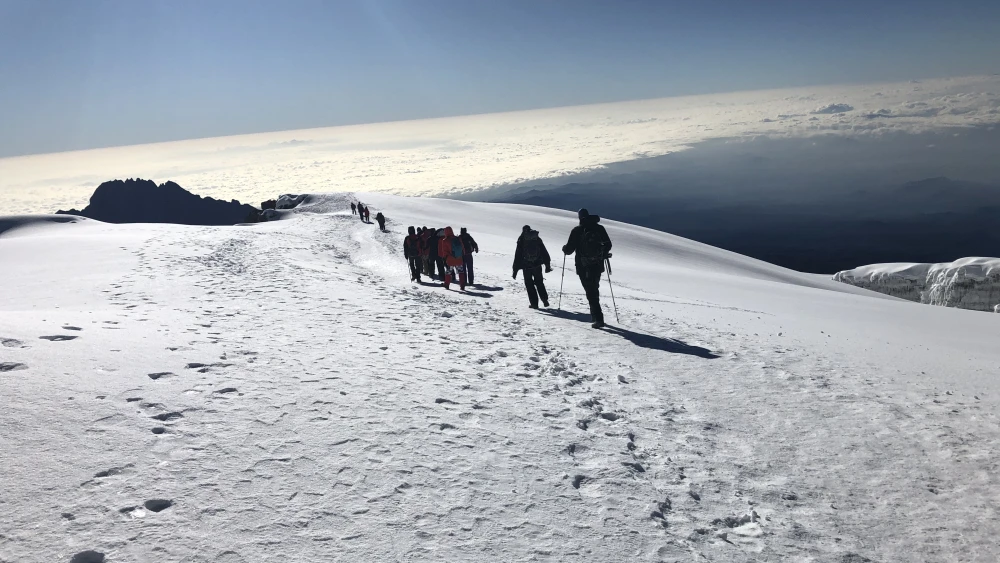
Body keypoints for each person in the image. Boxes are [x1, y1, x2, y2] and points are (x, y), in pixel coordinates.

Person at [562, 208, 613, 328]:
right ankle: (595, 316)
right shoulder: (599, 228)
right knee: (594, 288)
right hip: (598, 264)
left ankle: (598, 319)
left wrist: (564, 248)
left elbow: (569, 250)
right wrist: (601, 253)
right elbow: (608, 244)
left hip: (583, 266)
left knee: (590, 292)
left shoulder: (577, 230)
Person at [513, 225, 552, 309]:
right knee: (539, 282)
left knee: (529, 285)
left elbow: (518, 255)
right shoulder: (537, 238)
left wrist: (515, 270)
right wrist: (547, 265)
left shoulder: (522, 239)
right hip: (537, 265)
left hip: (526, 267)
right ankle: (545, 300)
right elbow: (544, 251)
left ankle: (534, 304)